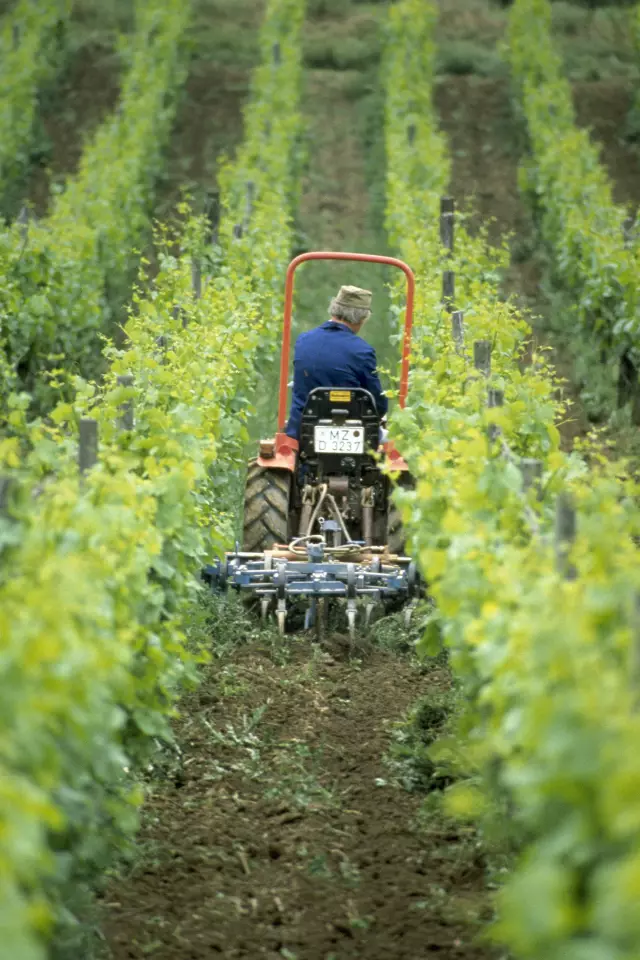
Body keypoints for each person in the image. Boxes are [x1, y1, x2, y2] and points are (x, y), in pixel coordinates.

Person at [285, 284, 388, 440]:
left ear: (334, 309)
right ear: (362, 318)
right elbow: (378, 404)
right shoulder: (362, 351)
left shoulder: (304, 341)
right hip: (355, 435)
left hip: (303, 432)